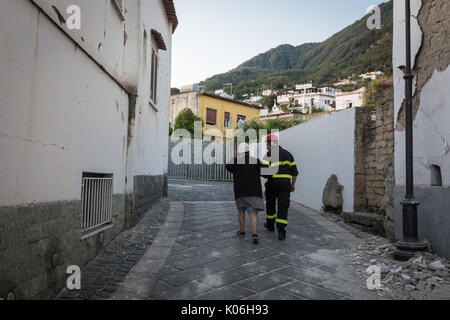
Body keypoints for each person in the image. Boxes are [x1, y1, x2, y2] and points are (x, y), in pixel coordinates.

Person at [226, 142, 265, 244]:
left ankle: (242, 231)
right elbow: (265, 171)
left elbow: (228, 167)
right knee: (253, 213)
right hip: (254, 191)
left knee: (241, 211)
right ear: (249, 151)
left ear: (239, 152)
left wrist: (234, 157)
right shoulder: (255, 161)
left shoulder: (236, 162)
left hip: (240, 191)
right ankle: (255, 233)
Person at [262, 134, 299, 241]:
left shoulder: (269, 154)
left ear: (270, 143)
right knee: (283, 206)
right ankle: (281, 231)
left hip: (272, 184)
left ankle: (270, 225)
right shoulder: (288, 154)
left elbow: (264, 171)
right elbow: (295, 172)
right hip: (285, 185)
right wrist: (292, 185)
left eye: (266, 144)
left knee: (270, 204)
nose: (266, 147)